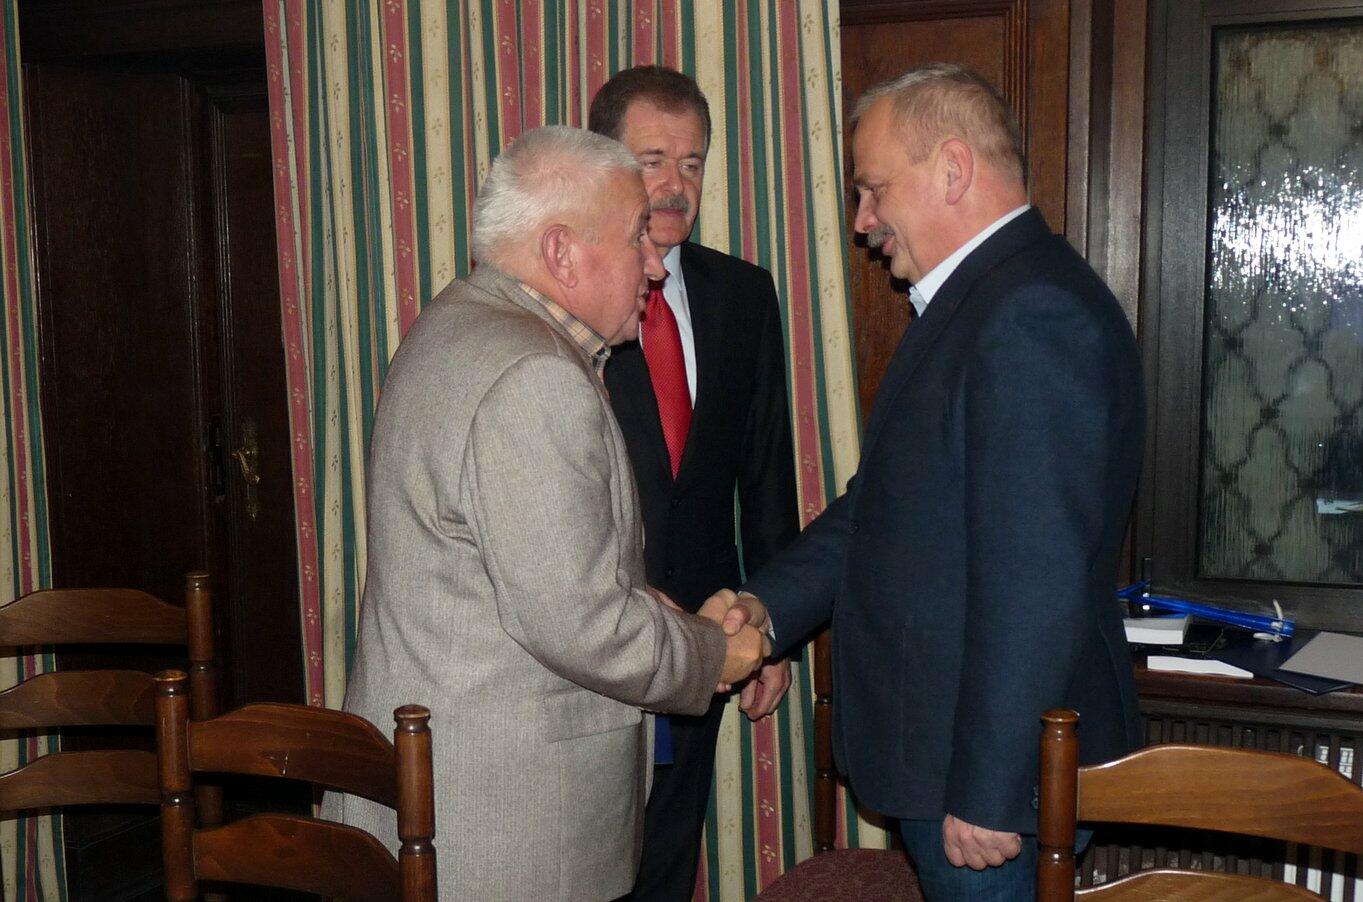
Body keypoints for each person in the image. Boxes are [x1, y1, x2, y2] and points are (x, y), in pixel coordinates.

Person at [716, 63, 1145, 899]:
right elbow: (878, 511)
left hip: (985, 785)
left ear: (952, 169)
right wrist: (765, 609)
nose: (862, 222)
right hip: (951, 763)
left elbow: (1034, 581)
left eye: (873, 190)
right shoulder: (984, 301)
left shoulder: (1028, 315)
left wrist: (989, 789)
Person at [328, 125, 770, 901]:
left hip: (450, 794)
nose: (656, 263)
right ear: (562, 252)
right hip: (505, 828)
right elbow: (581, 625)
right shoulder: (533, 375)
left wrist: (652, 607)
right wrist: (714, 655)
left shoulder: (458, 323)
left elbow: (515, 568)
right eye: (636, 238)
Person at [587, 66, 801, 901]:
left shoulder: (743, 294)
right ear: (606, 163)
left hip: (709, 639)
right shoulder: (572, 298)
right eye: (652, 160)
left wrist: (772, 624)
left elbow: (766, 473)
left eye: (692, 162)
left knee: (669, 865)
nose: (675, 185)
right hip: (596, 641)